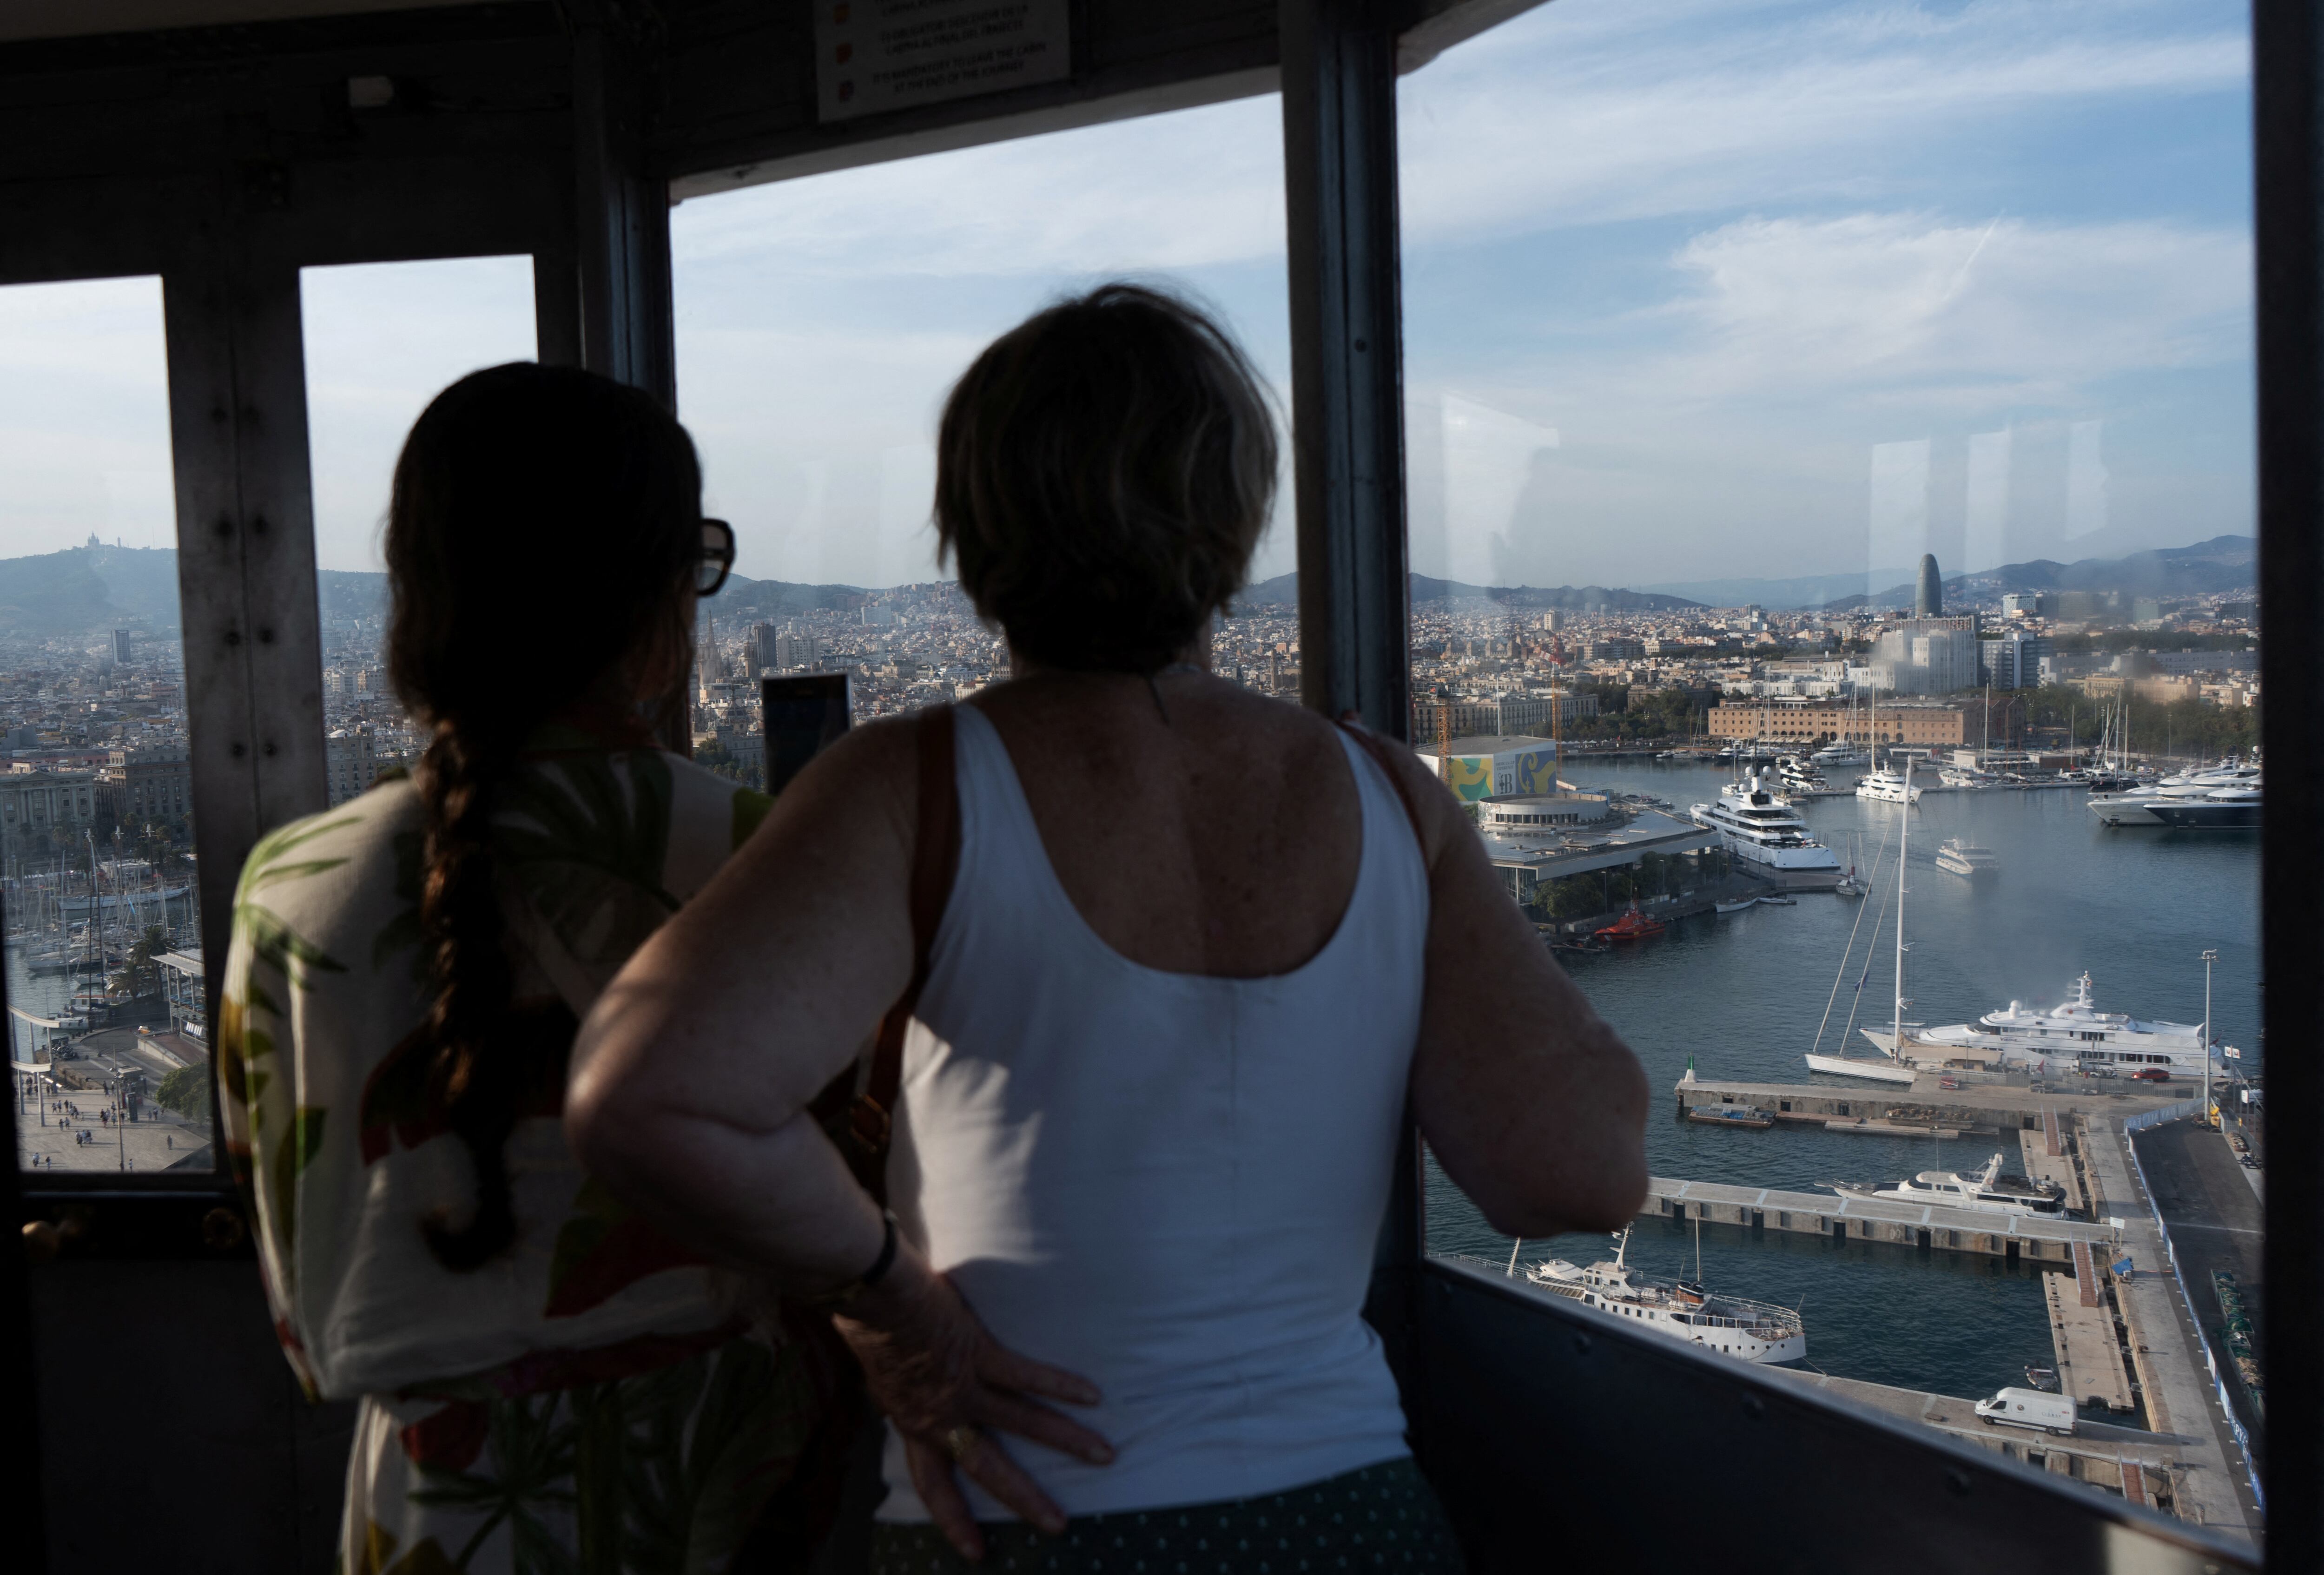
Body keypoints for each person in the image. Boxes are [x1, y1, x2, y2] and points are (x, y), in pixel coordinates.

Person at [568, 285, 1650, 1572]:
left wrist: (895, 1307)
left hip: (1030, 1519)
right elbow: (1576, 1174)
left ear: (972, 525)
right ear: (1235, 521)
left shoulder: (916, 787)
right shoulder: (1384, 795)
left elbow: (652, 1095)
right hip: (1351, 1519)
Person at [218, 363, 841, 1575]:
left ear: (420, 591)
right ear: (657, 593)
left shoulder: (289, 888)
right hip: (720, 1485)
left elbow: (303, 1318)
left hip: (440, 1505)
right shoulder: (765, 856)